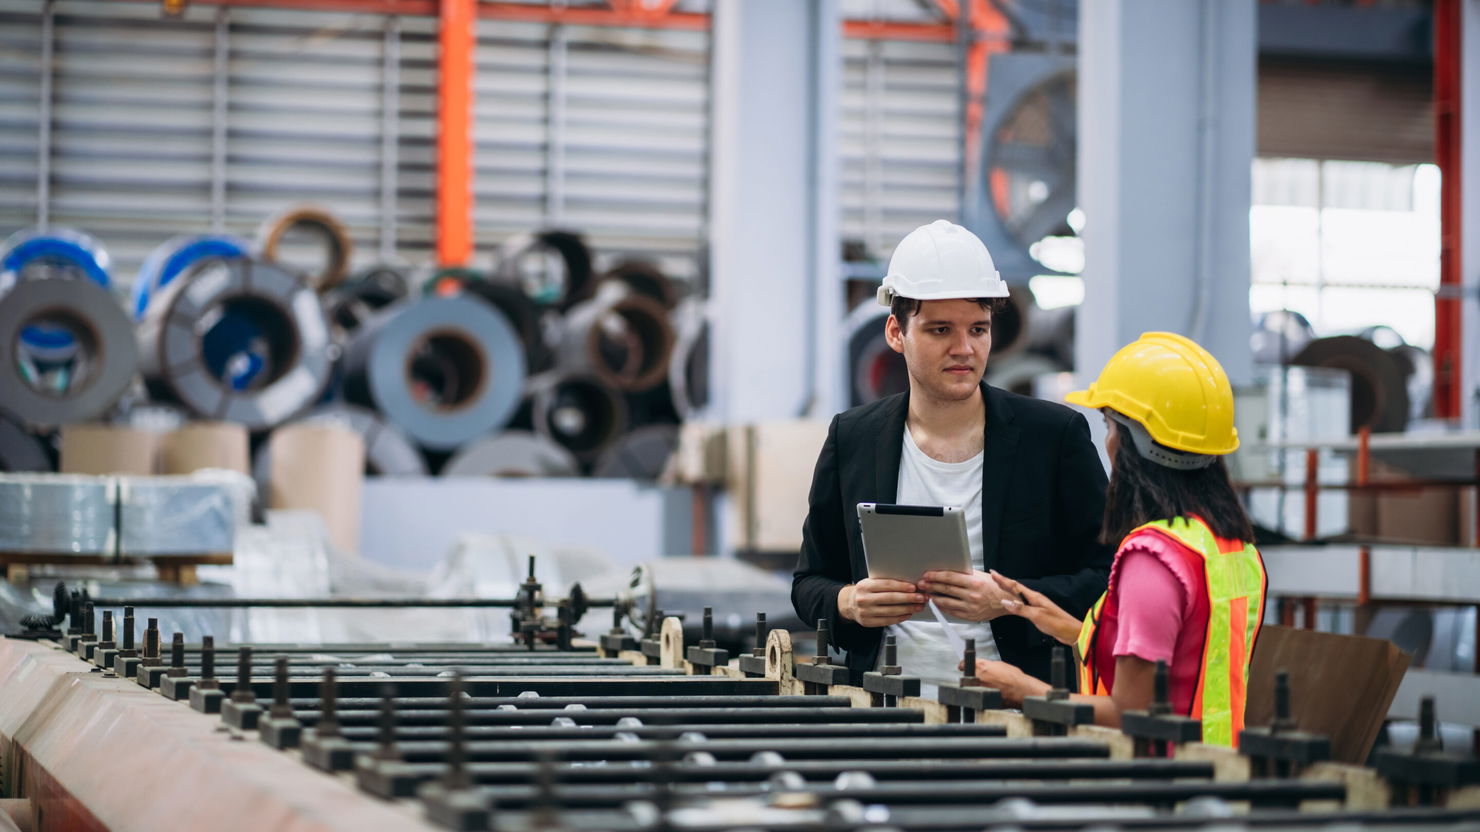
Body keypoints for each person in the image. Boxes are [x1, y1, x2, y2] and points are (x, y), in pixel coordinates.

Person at [791, 220, 1114, 694]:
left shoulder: (1054, 437)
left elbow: (1107, 577)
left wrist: (1008, 599)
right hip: (882, 706)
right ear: (896, 333)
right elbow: (808, 582)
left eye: (978, 329)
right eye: (941, 330)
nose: (964, 349)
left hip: (1017, 706)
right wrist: (849, 602)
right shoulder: (853, 437)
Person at [973, 331, 1268, 747]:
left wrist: (1022, 688)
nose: (1107, 441)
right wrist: (1073, 629)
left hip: (1154, 786)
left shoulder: (1154, 557)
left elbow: (1131, 713)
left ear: (1136, 443)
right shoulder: (1232, 549)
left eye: (1110, 426)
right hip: (1218, 775)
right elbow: (1183, 655)